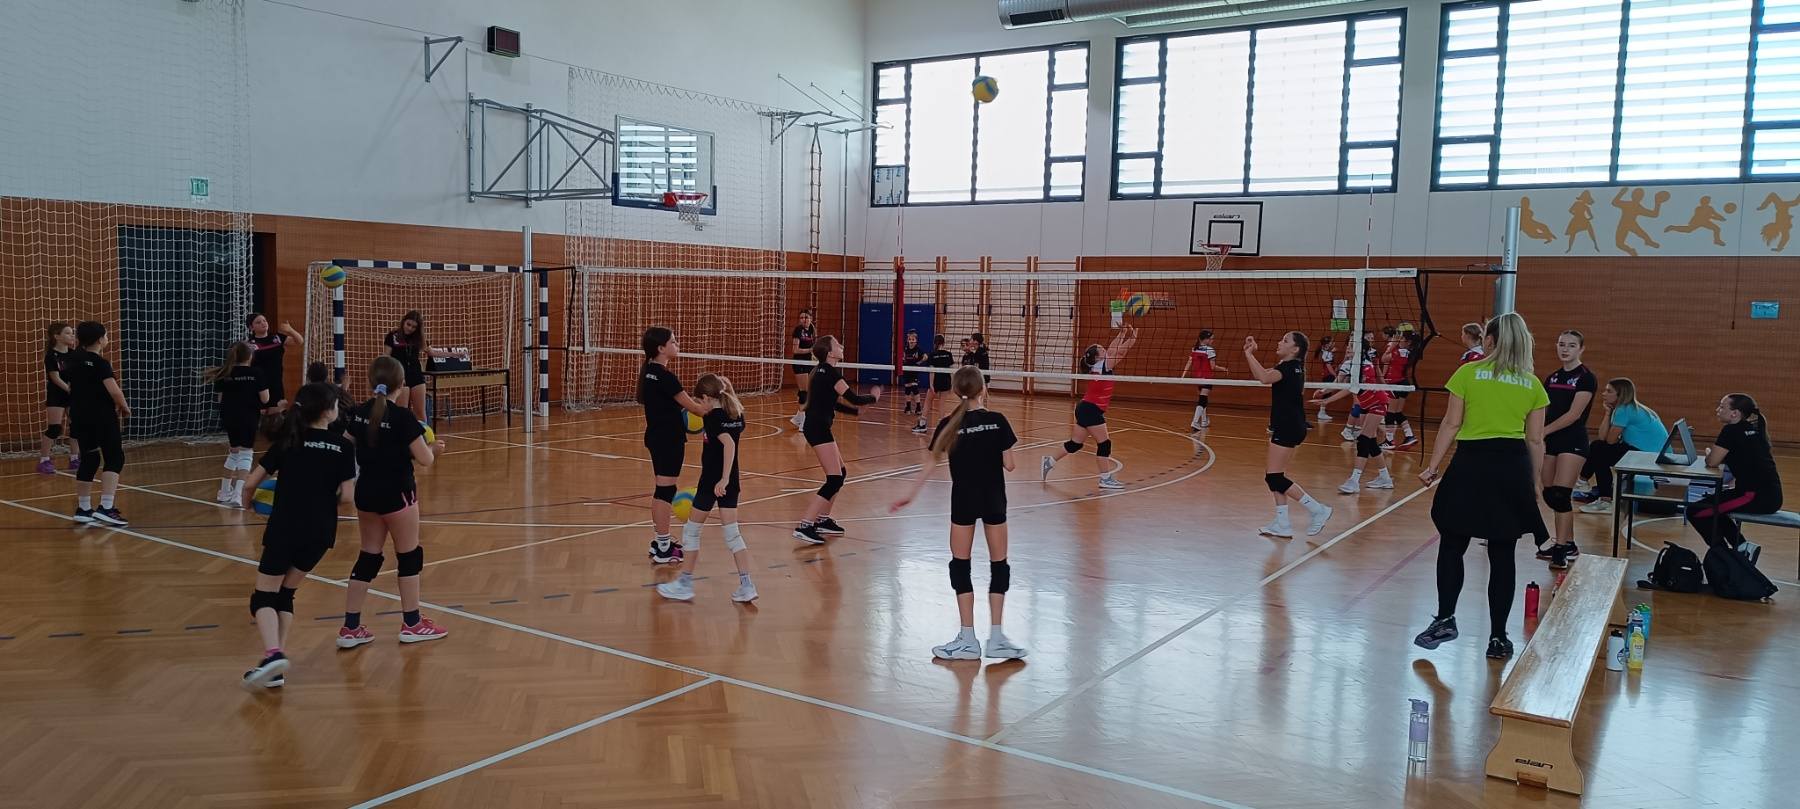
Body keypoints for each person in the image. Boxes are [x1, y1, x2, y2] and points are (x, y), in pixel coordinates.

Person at [1414, 312, 1550, 661]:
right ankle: (1498, 638)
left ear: (1489, 340)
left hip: (1471, 464)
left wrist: (1432, 466)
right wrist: (1535, 483)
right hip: (1512, 468)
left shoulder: (1467, 373)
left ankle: (1445, 618)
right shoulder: (1532, 384)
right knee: (1502, 554)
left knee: (1452, 543)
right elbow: (1535, 440)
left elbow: (1451, 423)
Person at [892, 366, 1027, 661]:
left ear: (955, 391)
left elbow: (930, 465)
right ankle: (997, 638)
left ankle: (968, 640)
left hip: (963, 501)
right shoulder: (997, 420)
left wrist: (909, 495)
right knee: (999, 565)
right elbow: (1010, 465)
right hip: (994, 500)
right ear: (983, 389)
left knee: (960, 566)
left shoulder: (948, 424)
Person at [239, 382, 358, 688]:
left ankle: (273, 654)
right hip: (321, 532)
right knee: (285, 594)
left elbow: (250, 483)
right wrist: (321, 500)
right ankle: (275, 669)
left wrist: (248, 504)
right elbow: (347, 497)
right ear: (328, 412)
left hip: (285, 527)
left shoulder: (288, 441)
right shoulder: (344, 447)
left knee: (263, 597)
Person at [339, 356, 448, 648]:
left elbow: (345, 447)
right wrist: (433, 448)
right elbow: (425, 460)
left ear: (370, 382)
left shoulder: (359, 413)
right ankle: (412, 623)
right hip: (397, 494)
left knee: (368, 557)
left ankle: (350, 627)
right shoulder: (403, 418)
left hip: (366, 493)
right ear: (401, 385)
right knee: (409, 556)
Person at [657, 374, 759, 603]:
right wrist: (728, 480)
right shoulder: (736, 414)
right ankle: (747, 585)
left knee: (691, 531)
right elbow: (732, 437)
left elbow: (729, 444)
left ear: (705, 397)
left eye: (699, 401)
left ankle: (684, 584)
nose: (699, 406)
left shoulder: (713, 417)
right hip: (732, 482)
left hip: (713, 482)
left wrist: (722, 479)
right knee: (732, 534)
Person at [1242, 331, 1333, 537]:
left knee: (1274, 477)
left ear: (1295, 349)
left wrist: (1248, 354)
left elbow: (1263, 378)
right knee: (1275, 476)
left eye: (1285, 341)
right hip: (1291, 425)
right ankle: (1282, 524)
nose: (1279, 342)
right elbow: (1265, 373)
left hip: (1288, 426)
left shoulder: (1288, 368)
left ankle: (1317, 510)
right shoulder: (1293, 367)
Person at [793, 335, 881, 544]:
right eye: (837, 345)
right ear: (830, 353)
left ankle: (823, 520)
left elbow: (831, 403)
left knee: (840, 473)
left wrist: (855, 413)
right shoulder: (831, 373)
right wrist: (873, 397)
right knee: (834, 479)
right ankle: (805, 525)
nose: (841, 346)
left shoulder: (819, 371)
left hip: (817, 427)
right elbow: (854, 398)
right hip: (818, 429)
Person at [639, 327, 712, 564]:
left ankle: (660, 541)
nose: (677, 344)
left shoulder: (649, 373)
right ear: (661, 348)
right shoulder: (665, 377)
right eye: (673, 341)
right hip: (668, 440)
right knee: (665, 491)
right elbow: (696, 409)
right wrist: (719, 406)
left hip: (657, 437)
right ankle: (663, 546)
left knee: (663, 490)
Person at [1040, 325, 1136, 491]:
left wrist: (1122, 333)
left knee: (1075, 444)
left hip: (1085, 408)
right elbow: (1120, 352)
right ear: (1098, 356)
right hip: (1091, 409)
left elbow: (1113, 349)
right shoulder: (1105, 365)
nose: (1105, 349)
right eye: (1101, 349)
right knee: (1104, 444)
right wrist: (1132, 339)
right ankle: (1105, 479)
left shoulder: (1098, 366)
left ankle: (1049, 461)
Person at [1690, 394, 1783, 551]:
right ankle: (1742, 548)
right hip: (1769, 495)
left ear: (1735, 413)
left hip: (1756, 497)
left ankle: (1723, 555)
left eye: (1722, 407)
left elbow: (1712, 462)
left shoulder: (1731, 431)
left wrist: (1709, 454)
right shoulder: (1752, 429)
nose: (1717, 410)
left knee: (1695, 511)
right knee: (1715, 509)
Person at [1539, 330, 1597, 567]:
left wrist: (1544, 431)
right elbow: (1543, 408)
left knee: (1561, 495)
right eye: (1562, 344)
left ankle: (1561, 549)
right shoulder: (1552, 377)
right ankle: (1569, 543)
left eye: (1571, 345)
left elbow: (1574, 414)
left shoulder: (1586, 378)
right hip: (1550, 440)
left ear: (1581, 349)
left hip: (1572, 440)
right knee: (1550, 494)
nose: (1565, 349)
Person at [65, 321, 131, 527]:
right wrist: (125, 406)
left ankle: (84, 509)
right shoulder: (100, 363)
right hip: (101, 416)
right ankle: (106, 507)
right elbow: (114, 390)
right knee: (115, 457)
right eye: (106, 335)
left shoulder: (72, 360)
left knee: (90, 458)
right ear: (100, 339)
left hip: (79, 416)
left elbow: (69, 387)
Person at [1576, 378, 1669, 514]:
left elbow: (1609, 441)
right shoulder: (1629, 408)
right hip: (1652, 454)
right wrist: (1607, 413)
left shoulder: (1624, 410)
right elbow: (1603, 437)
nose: (1603, 394)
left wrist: (1609, 417)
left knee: (1600, 451)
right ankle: (1586, 485)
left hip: (1650, 457)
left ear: (1620, 395)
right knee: (1599, 448)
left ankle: (1596, 492)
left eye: (1609, 391)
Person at [1312, 353, 1394, 494]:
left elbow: (1350, 388)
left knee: (1363, 439)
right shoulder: (1349, 364)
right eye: (1349, 345)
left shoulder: (1365, 365)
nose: (1348, 349)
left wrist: (1326, 400)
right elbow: (1340, 381)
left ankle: (1354, 481)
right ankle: (1385, 478)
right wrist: (1324, 391)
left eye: (1351, 346)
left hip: (1377, 402)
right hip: (1365, 404)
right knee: (1371, 442)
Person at [205, 341, 269, 506]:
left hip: (229, 417)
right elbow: (265, 399)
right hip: (248, 416)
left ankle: (224, 492)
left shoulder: (224, 372)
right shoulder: (256, 373)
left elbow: (220, 399)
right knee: (246, 453)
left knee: (234, 452)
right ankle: (238, 495)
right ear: (249, 357)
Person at [385, 311, 465, 423]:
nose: (410, 328)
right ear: (403, 322)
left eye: (414, 327)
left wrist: (454, 354)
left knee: (421, 414)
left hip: (416, 376)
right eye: (408, 324)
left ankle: (423, 434)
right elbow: (386, 357)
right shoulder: (392, 336)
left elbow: (432, 352)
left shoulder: (418, 338)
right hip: (400, 377)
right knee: (402, 412)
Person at [37, 322, 80, 475]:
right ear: (57, 336)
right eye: (68, 333)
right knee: (55, 428)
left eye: (72, 332)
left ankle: (75, 458)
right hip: (57, 394)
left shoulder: (74, 354)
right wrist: (69, 389)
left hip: (72, 395)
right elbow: (55, 378)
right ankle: (44, 460)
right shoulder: (51, 356)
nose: (72, 335)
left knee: (76, 426)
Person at [246, 313, 303, 414]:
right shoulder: (249, 344)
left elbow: (299, 341)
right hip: (259, 384)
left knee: (278, 412)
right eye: (258, 322)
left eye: (264, 320)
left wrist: (290, 330)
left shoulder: (277, 338)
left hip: (276, 382)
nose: (263, 323)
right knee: (261, 412)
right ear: (251, 327)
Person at [1379, 328, 1420, 449]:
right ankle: (1409, 435)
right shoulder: (1408, 352)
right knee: (1397, 412)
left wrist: (1392, 345)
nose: (1399, 340)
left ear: (1408, 342)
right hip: (1403, 383)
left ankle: (1389, 441)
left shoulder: (1399, 352)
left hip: (1395, 383)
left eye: (1401, 338)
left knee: (1390, 413)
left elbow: (1384, 359)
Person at [1179, 329, 1227, 431]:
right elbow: (1212, 367)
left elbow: (1189, 362)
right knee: (1202, 399)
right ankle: (1195, 422)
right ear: (1205, 339)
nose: (1212, 340)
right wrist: (1223, 369)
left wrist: (1183, 376)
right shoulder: (1210, 350)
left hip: (1198, 378)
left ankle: (1204, 421)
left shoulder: (1195, 349)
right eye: (1211, 339)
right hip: (1207, 377)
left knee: (1203, 397)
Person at [917, 334, 957, 435]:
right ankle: (941, 427)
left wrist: (931, 384)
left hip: (936, 382)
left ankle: (922, 425)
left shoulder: (932, 354)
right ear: (943, 343)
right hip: (946, 381)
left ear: (935, 343)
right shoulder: (948, 354)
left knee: (928, 402)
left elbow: (932, 371)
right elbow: (951, 371)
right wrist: (952, 384)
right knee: (942, 404)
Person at [789, 309, 816, 428]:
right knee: (804, 391)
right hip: (799, 362)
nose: (804, 320)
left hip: (809, 363)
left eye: (806, 317)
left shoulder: (812, 329)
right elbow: (795, 350)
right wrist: (810, 350)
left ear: (811, 318)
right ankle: (803, 422)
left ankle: (798, 418)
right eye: (801, 318)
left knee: (806, 390)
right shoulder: (798, 330)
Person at [901, 330, 927, 424]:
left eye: (913, 339)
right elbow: (902, 357)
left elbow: (925, 356)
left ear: (916, 340)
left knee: (915, 388)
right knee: (907, 388)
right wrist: (903, 360)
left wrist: (919, 362)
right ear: (907, 340)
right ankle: (908, 407)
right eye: (910, 339)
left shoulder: (918, 349)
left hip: (914, 371)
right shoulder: (905, 349)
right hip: (906, 370)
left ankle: (918, 407)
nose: (911, 341)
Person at [1315, 334, 1337, 424]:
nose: (1334, 343)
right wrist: (1335, 375)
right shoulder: (1326, 354)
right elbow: (1328, 367)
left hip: (1328, 375)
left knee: (1327, 394)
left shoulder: (1327, 352)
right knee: (1326, 394)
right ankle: (1321, 412)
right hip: (1328, 376)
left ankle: (1322, 412)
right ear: (1327, 344)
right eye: (1332, 342)